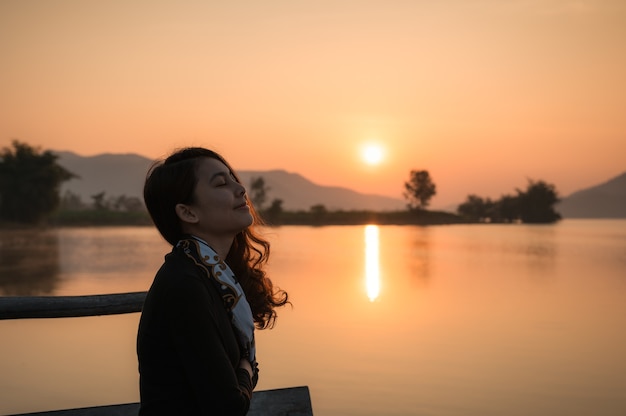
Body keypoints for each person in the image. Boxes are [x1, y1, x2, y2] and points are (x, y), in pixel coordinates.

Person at [137, 147, 289, 415]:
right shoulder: (184, 286)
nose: (240, 189)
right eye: (221, 183)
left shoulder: (212, 276)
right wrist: (246, 366)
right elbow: (228, 406)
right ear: (188, 213)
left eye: (233, 178)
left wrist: (244, 370)